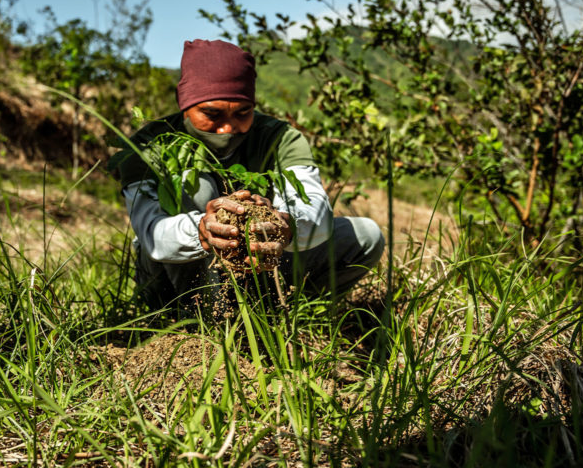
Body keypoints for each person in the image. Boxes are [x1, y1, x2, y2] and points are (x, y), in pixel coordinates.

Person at [114, 39, 384, 314]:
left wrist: (286, 224)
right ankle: (204, 318)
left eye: (243, 112)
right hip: (172, 280)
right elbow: (151, 233)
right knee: (196, 189)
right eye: (212, 113)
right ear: (184, 104)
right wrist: (202, 231)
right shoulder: (147, 146)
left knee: (366, 236)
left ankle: (283, 312)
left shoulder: (279, 138)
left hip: (263, 268)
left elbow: (313, 206)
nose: (228, 127)